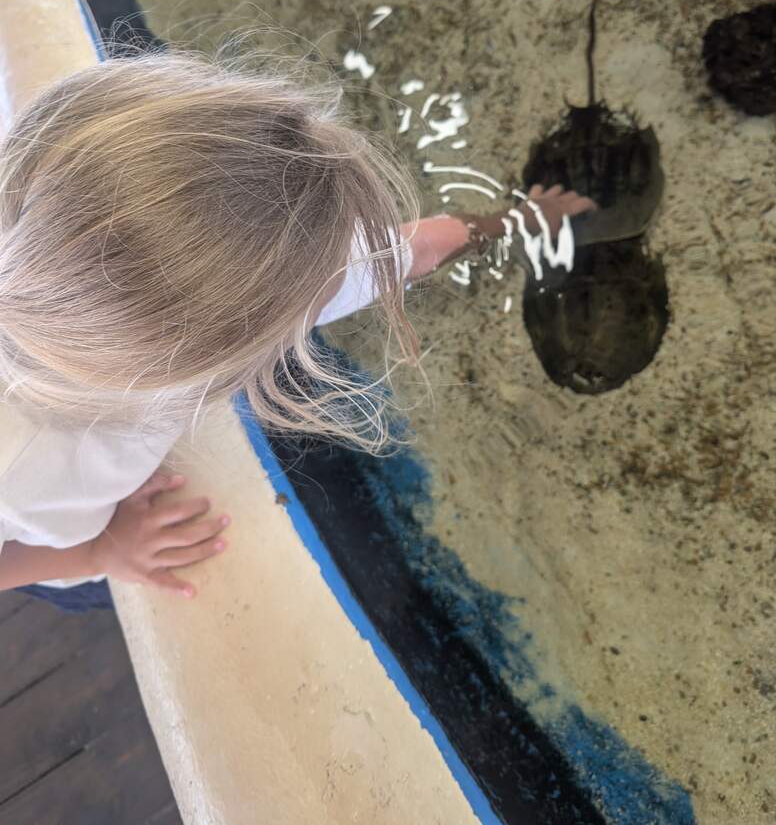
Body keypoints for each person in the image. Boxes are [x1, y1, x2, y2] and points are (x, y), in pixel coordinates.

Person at [0, 49, 594, 611]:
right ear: (228, 362)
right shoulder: (38, 472)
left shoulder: (32, 229)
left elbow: (401, 252)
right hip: (35, 545)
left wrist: (513, 220)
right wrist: (99, 550)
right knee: (85, 584)